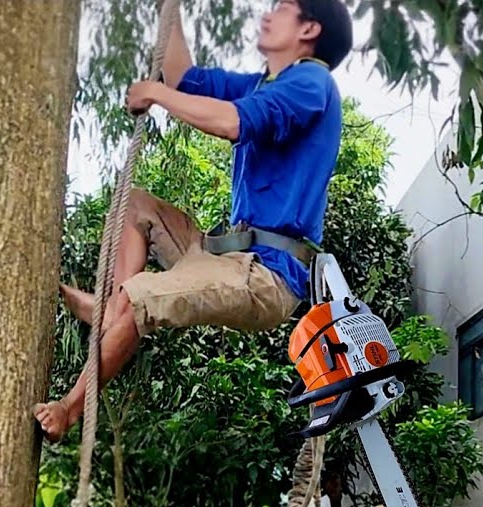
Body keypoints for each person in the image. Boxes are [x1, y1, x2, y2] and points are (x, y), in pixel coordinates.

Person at [34, 0, 354, 442]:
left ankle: (68, 410)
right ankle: (112, 308)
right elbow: (183, 76)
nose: (268, 14)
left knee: (140, 296)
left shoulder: (311, 81)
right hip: (223, 252)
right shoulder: (262, 84)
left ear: (309, 29)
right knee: (135, 203)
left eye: (282, 7)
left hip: (264, 275)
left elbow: (232, 122)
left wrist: (156, 94)